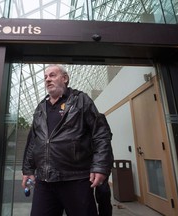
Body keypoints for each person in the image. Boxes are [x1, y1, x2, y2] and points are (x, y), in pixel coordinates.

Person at [22, 64, 114, 216]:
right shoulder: (40, 108)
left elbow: (101, 133)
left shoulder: (81, 100)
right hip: (45, 182)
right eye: (45, 77)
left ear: (64, 78)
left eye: (52, 75)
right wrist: (28, 169)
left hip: (76, 179)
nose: (47, 80)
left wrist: (100, 166)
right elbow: (33, 141)